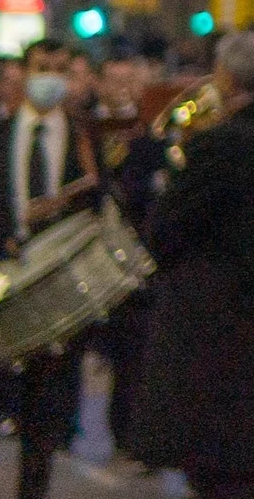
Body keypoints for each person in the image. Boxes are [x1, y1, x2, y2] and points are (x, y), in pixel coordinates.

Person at [128, 32, 254, 499]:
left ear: (227, 77)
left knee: (215, 464)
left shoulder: (221, 143)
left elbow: (168, 229)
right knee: (250, 457)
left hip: (210, 320)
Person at [0, 41, 103, 499]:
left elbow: (99, 204)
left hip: (52, 288)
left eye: (58, 69)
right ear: (24, 74)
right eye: (40, 69)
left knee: (42, 414)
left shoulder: (81, 137)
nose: (49, 78)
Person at [84, 51, 167, 460]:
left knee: (134, 351)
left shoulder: (151, 133)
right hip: (89, 248)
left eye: (129, 83)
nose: (122, 91)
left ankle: (130, 436)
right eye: (114, 81)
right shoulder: (85, 128)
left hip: (136, 254)